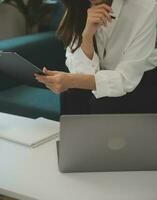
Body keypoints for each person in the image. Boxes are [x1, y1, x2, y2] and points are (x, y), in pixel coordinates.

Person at [35, 0, 157, 115]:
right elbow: (81, 71)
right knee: (71, 94)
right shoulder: (77, 5)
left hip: (140, 82)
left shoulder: (145, 5)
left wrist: (71, 80)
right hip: (102, 82)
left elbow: (125, 80)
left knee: (100, 101)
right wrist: (87, 35)